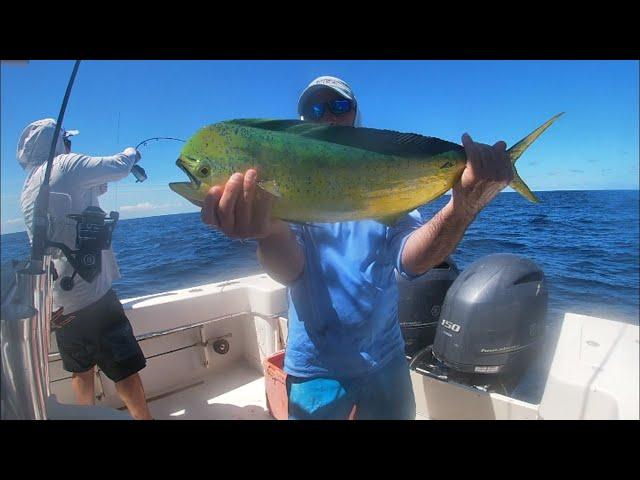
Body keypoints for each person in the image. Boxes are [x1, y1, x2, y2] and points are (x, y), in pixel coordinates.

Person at [200, 76, 513, 420]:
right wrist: (269, 232)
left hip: (388, 358)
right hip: (315, 367)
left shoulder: (386, 178)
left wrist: (461, 209)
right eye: (315, 109)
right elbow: (291, 270)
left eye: (339, 106)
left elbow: (411, 261)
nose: (328, 116)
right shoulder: (286, 185)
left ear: (355, 115)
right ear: (303, 122)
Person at [18, 118, 153, 420]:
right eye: (68, 140)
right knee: (125, 370)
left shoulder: (30, 186)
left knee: (81, 371)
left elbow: (82, 195)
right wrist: (133, 155)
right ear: (60, 143)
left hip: (57, 306)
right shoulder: (66, 164)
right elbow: (118, 165)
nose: (71, 145)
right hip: (93, 296)